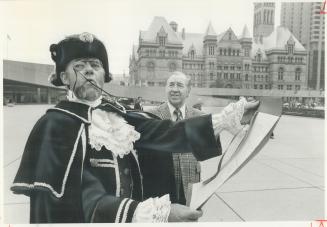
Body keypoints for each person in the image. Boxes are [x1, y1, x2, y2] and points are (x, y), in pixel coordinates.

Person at [11, 33, 259, 223]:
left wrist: (226, 118)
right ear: (64, 78)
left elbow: (166, 132)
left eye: (95, 65)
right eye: (79, 65)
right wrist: (158, 213)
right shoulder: (55, 125)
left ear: (103, 76)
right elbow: (82, 198)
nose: (89, 70)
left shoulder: (117, 114)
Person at [139, 72, 223, 205]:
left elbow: (209, 149)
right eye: (171, 85)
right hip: (160, 187)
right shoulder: (151, 116)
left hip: (190, 182)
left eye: (180, 85)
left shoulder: (200, 117)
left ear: (188, 91)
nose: (174, 89)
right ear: (166, 89)